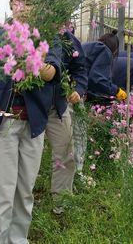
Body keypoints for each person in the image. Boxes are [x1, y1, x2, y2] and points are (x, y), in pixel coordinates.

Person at [0, 0, 62, 244]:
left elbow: (52, 73)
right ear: (11, 5)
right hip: (2, 124)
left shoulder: (47, 38)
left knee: (24, 193)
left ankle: (18, 240)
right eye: (18, 2)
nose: (23, 8)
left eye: (30, 3)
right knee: (0, 195)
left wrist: (34, 57)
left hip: (32, 125)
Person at [46, 29, 87, 214]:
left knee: (66, 152)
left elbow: (80, 69)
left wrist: (77, 89)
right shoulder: (22, 35)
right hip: (25, 109)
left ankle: (60, 204)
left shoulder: (68, 40)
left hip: (57, 106)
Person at [82, 30, 127, 102]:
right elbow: (97, 79)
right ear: (115, 49)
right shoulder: (105, 51)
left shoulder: (93, 45)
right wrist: (117, 91)